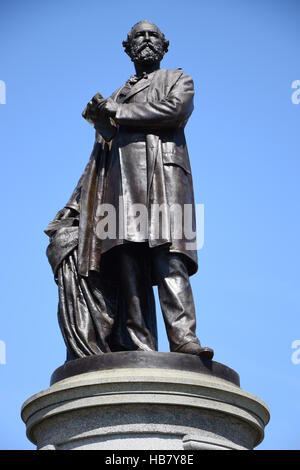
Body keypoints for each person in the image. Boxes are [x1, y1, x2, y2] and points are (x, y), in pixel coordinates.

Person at [46, 20, 214, 360]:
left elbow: (174, 111)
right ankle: (141, 346)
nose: (147, 40)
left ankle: (184, 340)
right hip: (119, 190)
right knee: (128, 265)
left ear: (165, 46)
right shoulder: (115, 96)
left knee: (171, 260)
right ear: (128, 47)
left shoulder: (178, 80)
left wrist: (117, 113)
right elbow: (97, 157)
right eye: (140, 35)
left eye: (153, 35)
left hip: (166, 185)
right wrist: (76, 204)